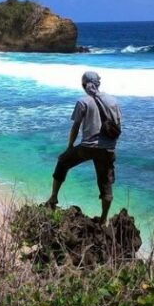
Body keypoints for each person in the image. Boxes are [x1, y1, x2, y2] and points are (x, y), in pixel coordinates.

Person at [45, 71, 122, 224]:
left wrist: (69, 147)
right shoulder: (113, 101)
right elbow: (118, 126)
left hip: (87, 147)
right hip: (107, 149)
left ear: (84, 85)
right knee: (105, 183)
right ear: (98, 84)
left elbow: (75, 127)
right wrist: (111, 147)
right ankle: (103, 219)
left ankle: (53, 197)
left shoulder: (83, 102)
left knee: (62, 161)